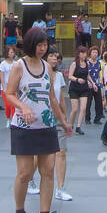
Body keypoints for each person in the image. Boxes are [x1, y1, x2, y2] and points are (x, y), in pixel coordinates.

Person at [5, 27, 70, 213]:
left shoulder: (47, 67)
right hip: (24, 126)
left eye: (45, 46)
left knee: (48, 171)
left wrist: (63, 120)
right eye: (40, 45)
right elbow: (9, 93)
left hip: (46, 125)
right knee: (25, 173)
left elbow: (51, 97)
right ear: (31, 44)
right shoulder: (19, 66)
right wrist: (23, 107)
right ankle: (20, 210)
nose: (43, 49)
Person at [48, 49, 75, 201]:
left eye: (56, 56)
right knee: (40, 155)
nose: (54, 59)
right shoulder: (39, 75)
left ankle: (60, 188)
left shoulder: (58, 76)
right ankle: (31, 180)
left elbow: (60, 98)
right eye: (51, 56)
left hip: (57, 116)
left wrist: (65, 119)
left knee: (62, 151)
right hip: (42, 117)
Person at [67, 45, 91, 135]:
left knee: (84, 108)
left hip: (84, 88)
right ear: (78, 54)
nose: (84, 55)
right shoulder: (74, 64)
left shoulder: (87, 64)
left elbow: (87, 75)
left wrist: (92, 83)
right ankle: (71, 125)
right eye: (82, 53)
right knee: (75, 109)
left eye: (85, 53)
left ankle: (78, 126)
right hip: (74, 88)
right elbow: (70, 76)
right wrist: (77, 79)